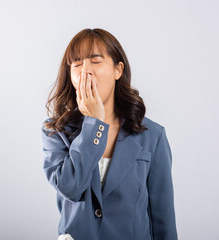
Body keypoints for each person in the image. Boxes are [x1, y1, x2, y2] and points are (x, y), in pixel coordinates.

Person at [41, 28, 178, 240]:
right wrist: (93, 123)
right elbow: (70, 188)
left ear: (118, 70)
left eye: (95, 61)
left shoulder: (153, 136)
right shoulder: (56, 131)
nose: (85, 71)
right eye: (76, 64)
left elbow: (163, 220)